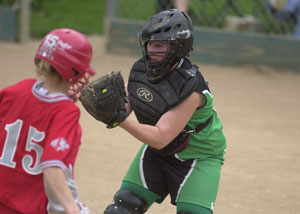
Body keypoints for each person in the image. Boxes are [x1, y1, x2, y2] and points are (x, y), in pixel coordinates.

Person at [103, 9, 227, 214]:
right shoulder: (143, 70)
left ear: (178, 47)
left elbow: (161, 136)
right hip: (159, 153)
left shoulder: (192, 87)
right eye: (150, 43)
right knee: (123, 208)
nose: (151, 50)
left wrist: (119, 120)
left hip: (198, 157)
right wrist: (107, 106)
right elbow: (124, 106)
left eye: (159, 45)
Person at [0, 28, 95, 214]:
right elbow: (52, 166)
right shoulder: (66, 112)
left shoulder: (19, 89)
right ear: (75, 70)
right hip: (29, 207)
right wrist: (72, 209)